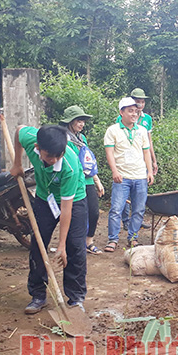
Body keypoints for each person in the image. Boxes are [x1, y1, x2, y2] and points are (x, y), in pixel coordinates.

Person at [9, 123, 88, 315]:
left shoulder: (68, 167)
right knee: (37, 244)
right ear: (38, 148)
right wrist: (17, 163)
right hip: (45, 199)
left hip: (73, 200)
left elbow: (66, 210)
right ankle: (38, 295)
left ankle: (76, 298)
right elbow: (18, 129)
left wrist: (61, 245)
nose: (53, 160)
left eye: (57, 156)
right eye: (48, 156)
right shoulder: (31, 140)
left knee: (74, 247)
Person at [104, 97, 155, 252]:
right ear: (122, 112)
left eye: (136, 111)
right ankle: (112, 239)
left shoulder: (141, 130)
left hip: (140, 176)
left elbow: (146, 152)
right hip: (122, 177)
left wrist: (150, 171)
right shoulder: (112, 130)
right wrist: (114, 171)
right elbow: (109, 152)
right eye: (130, 111)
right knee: (116, 209)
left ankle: (133, 237)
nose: (134, 114)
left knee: (139, 209)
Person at [61, 105, 106, 255]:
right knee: (75, 214)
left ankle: (88, 242)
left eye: (83, 121)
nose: (82, 124)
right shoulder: (64, 139)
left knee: (93, 212)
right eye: (78, 121)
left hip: (87, 181)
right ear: (70, 122)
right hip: (74, 182)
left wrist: (97, 180)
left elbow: (88, 162)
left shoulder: (82, 138)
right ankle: (72, 244)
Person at [119, 88, 156, 230]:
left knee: (139, 191)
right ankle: (126, 220)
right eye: (137, 102)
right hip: (127, 160)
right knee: (125, 191)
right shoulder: (124, 116)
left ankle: (137, 221)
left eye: (142, 102)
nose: (140, 105)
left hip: (142, 159)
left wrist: (153, 160)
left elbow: (149, 140)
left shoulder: (147, 119)